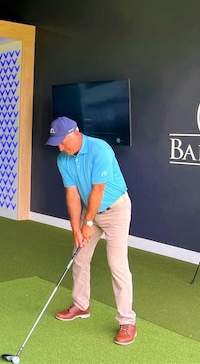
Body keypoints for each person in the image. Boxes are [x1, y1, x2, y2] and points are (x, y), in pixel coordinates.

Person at [45, 116, 137, 345]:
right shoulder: (63, 159)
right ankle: (80, 305)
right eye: (56, 142)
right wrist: (76, 228)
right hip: (89, 210)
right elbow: (73, 195)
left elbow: (98, 191)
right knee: (79, 257)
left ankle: (127, 321)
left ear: (76, 133)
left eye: (62, 141)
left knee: (117, 265)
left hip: (115, 210)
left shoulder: (100, 149)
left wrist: (87, 224)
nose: (59, 146)